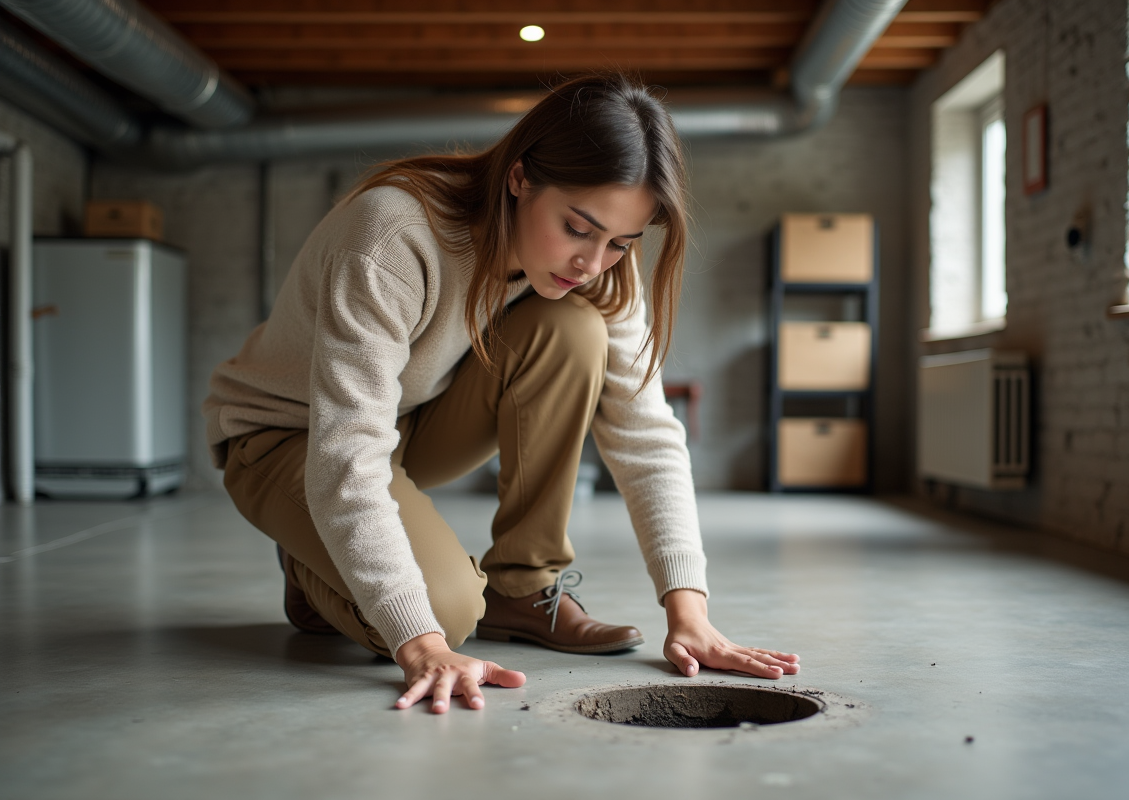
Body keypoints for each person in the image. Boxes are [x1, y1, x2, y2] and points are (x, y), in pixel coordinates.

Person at [203, 72, 800, 715]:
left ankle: (522, 588)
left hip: (411, 422)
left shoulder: (601, 269)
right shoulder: (394, 236)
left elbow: (645, 432)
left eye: (621, 243)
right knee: (443, 612)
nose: (592, 263)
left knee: (573, 329)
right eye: (577, 228)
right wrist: (422, 640)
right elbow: (347, 454)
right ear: (520, 177)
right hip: (285, 435)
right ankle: (309, 563)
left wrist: (690, 610)